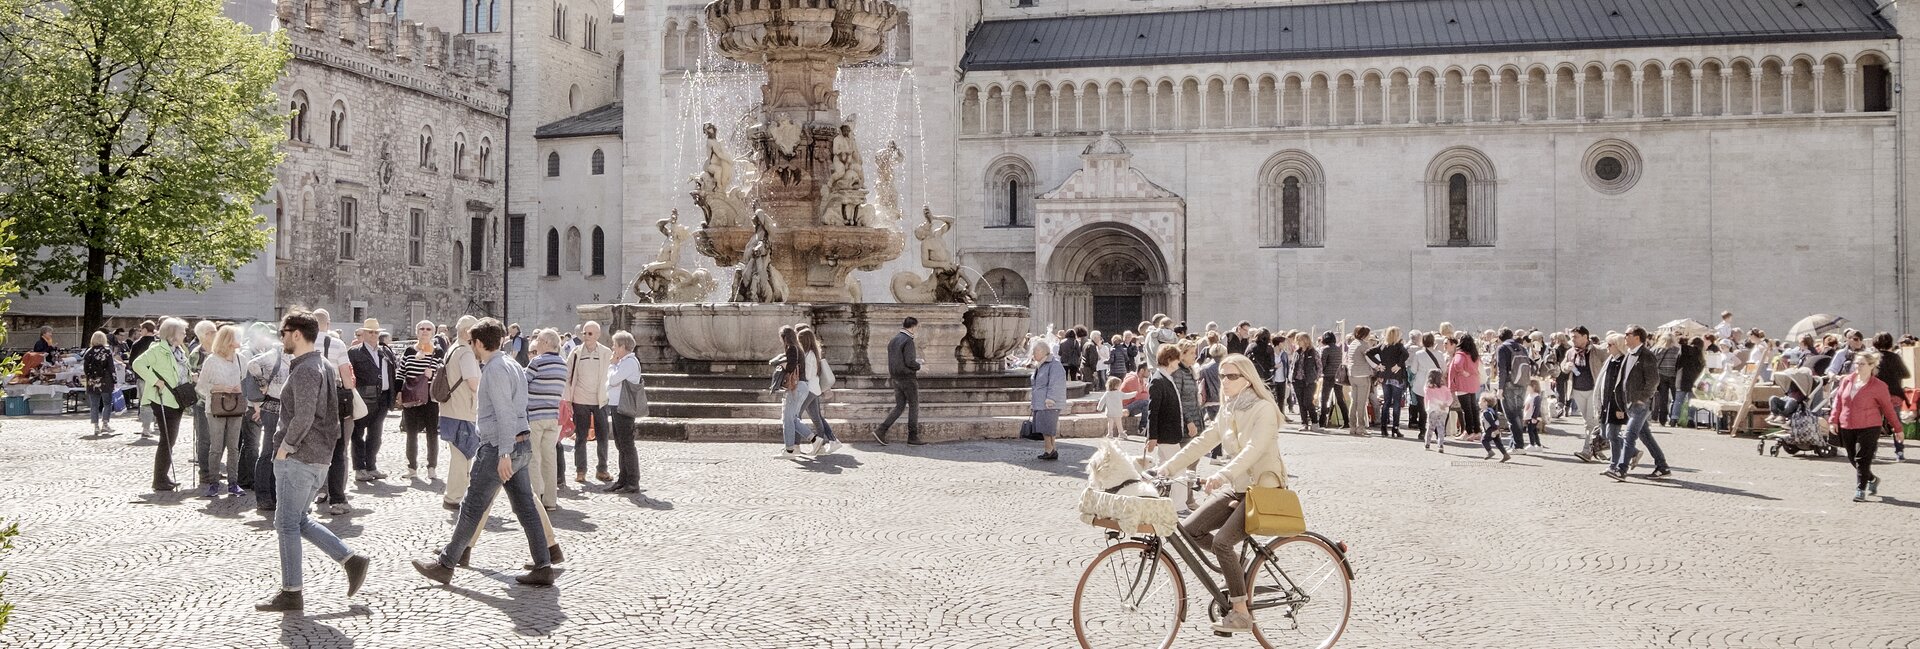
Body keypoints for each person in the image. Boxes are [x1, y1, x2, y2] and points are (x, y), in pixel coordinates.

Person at [411, 318, 557, 587]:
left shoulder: (495, 369)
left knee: (472, 505)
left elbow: (504, 412)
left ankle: (446, 564)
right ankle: (543, 565)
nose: (472, 348)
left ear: (478, 343)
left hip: (500, 447)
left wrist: (503, 452)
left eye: (473, 343)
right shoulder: (512, 364)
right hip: (519, 443)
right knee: (525, 506)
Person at [1148, 353, 1286, 635]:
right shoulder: (1228, 409)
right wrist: (1166, 468)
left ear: (1248, 380)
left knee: (1223, 542)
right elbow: (1202, 442)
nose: (1224, 381)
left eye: (1231, 376)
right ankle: (1237, 568)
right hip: (1237, 487)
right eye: (1222, 375)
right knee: (1190, 529)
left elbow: (1254, 450)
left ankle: (1240, 612)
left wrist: (1222, 474)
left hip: (1262, 488)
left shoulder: (1264, 409)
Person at [254, 310, 369, 612]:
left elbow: (304, 416)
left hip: (300, 457)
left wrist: (285, 448)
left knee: (286, 524)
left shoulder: (307, 369)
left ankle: (292, 592)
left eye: (283, 333)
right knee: (298, 520)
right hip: (314, 458)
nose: (281, 339)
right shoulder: (322, 364)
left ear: (295, 333)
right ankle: (351, 560)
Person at [1828, 351, 1898, 502]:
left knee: (1862, 458)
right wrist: (1833, 420)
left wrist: (1897, 429)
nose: (1857, 367)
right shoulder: (1847, 380)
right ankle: (1872, 479)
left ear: (1872, 366)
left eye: (1861, 364)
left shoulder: (1879, 386)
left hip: (1870, 425)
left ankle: (1860, 489)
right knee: (1852, 457)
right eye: (1856, 364)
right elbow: (1838, 401)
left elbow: (1888, 408)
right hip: (1847, 423)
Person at [1603, 327, 1671, 481]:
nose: (1625, 337)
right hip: (1629, 403)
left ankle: (1621, 469)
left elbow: (1654, 380)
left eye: (1628, 334)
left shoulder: (1646, 355)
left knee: (1629, 435)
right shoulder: (1629, 354)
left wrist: (1642, 398)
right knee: (1645, 435)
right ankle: (1663, 466)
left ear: (1637, 337)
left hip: (1641, 404)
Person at [133, 317, 191, 492]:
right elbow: (137, 364)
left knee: (169, 440)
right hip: (164, 400)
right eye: (182, 331)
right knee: (167, 440)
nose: (185, 334)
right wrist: (154, 380)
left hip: (177, 399)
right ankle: (159, 479)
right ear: (173, 334)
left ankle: (163, 476)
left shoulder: (180, 350)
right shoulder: (158, 350)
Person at [310, 309, 354, 515]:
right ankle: (337, 499)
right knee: (337, 451)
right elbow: (345, 374)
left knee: (309, 449)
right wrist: (349, 393)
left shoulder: (302, 343)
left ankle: (312, 494)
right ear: (327, 324)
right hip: (332, 401)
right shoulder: (337, 344)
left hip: (307, 399)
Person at [438, 316, 484, 511]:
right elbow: (473, 383)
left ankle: (457, 494)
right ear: (467, 332)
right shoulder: (465, 352)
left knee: (460, 455)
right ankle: (454, 497)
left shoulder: (453, 349)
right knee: (462, 457)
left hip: (452, 409)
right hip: (463, 410)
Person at [198, 325, 248, 497]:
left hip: (236, 407)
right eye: (236, 337)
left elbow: (247, 383)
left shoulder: (241, 359)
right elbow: (201, 386)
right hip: (216, 408)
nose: (240, 340)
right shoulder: (212, 361)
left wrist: (239, 388)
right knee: (216, 447)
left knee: (234, 447)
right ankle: (214, 483)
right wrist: (217, 387)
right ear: (228, 340)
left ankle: (233, 483)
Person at [247, 325, 291, 513]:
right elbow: (252, 365)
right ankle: (264, 496)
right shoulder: (275, 354)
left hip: (289, 409)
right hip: (272, 407)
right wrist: (263, 384)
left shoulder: (298, 355)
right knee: (267, 452)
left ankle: (278, 495)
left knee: (284, 454)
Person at [347, 319, 397, 483]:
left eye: (376, 332)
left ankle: (371, 466)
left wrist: (393, 395)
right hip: (363, 398)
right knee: (358, 434)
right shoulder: (354, 352)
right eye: (370, 332)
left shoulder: (386, 352)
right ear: (363, 333)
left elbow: (392, 373)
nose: (373, 335)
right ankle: (359, 468)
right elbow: (349, 376)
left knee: (375, 435)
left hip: (382, 397)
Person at [565, 321, 613, 484]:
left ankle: (602, 469)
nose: (586, 336)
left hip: (600, 399)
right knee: (580, 437)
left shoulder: (606, 353)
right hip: (580, 399)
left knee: (603, 436)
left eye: (589, 333)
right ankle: (580, 470)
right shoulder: (576, 352)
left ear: (598, 335)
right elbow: (567, 375)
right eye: (584, 333)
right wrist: (568, 398)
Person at [1144, 345, 1191, 510]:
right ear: (1170, 360)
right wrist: (1152, 437)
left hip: (1170, 433)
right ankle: (1179, 505)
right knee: (1179, 469)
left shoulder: (1166, 377)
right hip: (1166, 434)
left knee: (1163, 470)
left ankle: (1156, 499)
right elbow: (1153, 411)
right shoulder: (1158, 380)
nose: (1179, 362)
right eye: (1177, 359)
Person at [397, 321, 445, 481]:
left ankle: (432, 467)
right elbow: (400, 372)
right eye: (421, 329)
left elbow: (443, 373)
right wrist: (398, 392)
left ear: (433, 332)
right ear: (417, 331)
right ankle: (412, 467)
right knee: (411, 433)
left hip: (430, 399)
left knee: (432, 433)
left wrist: (434, 374)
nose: (424, 331)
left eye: (428, 329)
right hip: (411, 397)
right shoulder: (409, 351)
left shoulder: (438, 352)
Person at [526, 329, 568, 506]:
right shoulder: (563, 364)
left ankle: (535, 499)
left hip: (535, 415)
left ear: (545, 343)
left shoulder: (537, 362)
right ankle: (551, 500)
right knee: (549, 459)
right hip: (552, 415)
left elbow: (523, 381)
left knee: (534, 458)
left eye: (539, 341)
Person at [603, 330, 646, 491]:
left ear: (622, 346)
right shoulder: (624, 362)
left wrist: (612, 365)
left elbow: (613, 380)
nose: (613, 348)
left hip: (623, 406)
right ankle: (623, 479)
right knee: (621, 444)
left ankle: (632, 481)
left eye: (615, 345)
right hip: (617, 405)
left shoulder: (628, 362)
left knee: (627, 444)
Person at [875, 317, 924, 445]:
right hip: (908, 378)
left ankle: (881, 430)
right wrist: (920, 366)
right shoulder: (908, 341)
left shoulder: (894, 340)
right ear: (913, 327)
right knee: (914, 406)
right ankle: (912, 436)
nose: (917, 330)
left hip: (896, 378)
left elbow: (898, 360)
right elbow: (909, 361)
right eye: (917, 327)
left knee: (899, 406)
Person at [1565, 327, 1609, 461]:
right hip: (1577, 390)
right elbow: (1563, 365)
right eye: (1572, 337)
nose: (1573, 339)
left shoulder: (1598, 351)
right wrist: (1565, 367)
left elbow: (1609, 364)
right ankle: (1598, 449)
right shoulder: (1571, 352)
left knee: (1591, 422)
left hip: (1593, 390)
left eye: (1576, 337)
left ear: (1585, 337)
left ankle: (1587, 451)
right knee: (1589, 422)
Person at [796, 326, 841, 455]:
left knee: (796, 416)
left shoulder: (809, 355)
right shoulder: (811, 353)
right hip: (813, 389)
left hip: (810, 389)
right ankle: (822, 446)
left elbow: (809, 375)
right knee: (816, 418)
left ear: (804, 340)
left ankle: (798, 445)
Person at [1870, 332, 1909, 462]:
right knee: (1896, 423)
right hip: (1894, 393)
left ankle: (1872, 452)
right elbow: (1906, 374)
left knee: (1875, 424)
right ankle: (1899, 452)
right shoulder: (1895, 357)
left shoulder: (1873, 358)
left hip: (1875, 395)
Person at [776, 325, 813, 457]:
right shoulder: (799, 348)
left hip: (795, 387)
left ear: (785, 337)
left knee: (787, 419)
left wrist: (780, 366)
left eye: (781, 337)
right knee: (792, 418)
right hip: (802, 386)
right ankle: (814, 439)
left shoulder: (792, 348)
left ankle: (789, 449)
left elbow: (791, 366)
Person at [1368, 327, 1408, 437]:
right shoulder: (1399, 346)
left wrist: (1379, 364)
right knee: (1396, 403)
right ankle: (1395, 428)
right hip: (1396, 376)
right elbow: (1406, 355)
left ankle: (1383, 428)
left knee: (1386, 402)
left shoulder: (1382, 346)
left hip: (1385, 376)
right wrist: (1399, 365)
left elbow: (1368, 352)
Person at [1031, 340, 1067, 461]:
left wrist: (1051, 398)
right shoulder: (1042, 364)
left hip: (1049, 402)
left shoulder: (1054, 364)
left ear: (1042, 351)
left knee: (1046, 427)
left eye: (1035, 351)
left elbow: (1056, 383)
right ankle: (1052, 449)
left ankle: (1049, 450)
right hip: (1041, 402)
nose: (1033, 354)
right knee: (1048, 427)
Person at [1447, 333, 1483, 444]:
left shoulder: (1460, 354)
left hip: (1462, 384)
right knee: (1473, 408)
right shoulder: (1474, 354)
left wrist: (1462, 372)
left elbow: (1457, 365)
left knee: (1466, 410)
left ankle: (1468, 432)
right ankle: (1477, 431)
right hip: (1473, 383)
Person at [82, 331, 119, 435]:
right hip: (105, 381)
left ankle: (96, 426)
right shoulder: (107, 351)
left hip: (92, 381)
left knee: (94, 405)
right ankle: (105, 424)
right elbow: (111, 368)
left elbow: (85, 368)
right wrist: (114, 380)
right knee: (107, 403)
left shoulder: (88, 352)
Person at [1345, 326, 1377, 436]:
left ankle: (1352, 426)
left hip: (1352, 375)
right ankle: (1361, 427)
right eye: (1368, 334)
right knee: (1362, 403)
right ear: (1364, 335)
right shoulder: (1364, 345)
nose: (1369, 336)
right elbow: (1369, 359)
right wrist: (1378, 367)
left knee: (1354, 402)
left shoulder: (1353, 343)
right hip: (1363, 375)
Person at [1289, 332, 1320, 431]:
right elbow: (1293, 365)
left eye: (1300, 340)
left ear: (1306, 340)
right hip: (1297, 380)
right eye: (1297, 340)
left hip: (1309, 381)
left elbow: (1319, 366)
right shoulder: (1297, 352)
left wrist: (1316, 377)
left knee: (1308, 402)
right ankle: (1304, 423)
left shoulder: (1313, 352)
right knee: (1301, 403)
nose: (1298, 342)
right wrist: (1291, 377)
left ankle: (1315, 422)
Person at [1318, 332, 1348, 429]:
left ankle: (1322, 422)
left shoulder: (1325, 349)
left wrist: (1320, 373)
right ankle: (1346, 420)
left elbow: (1322, 363)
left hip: (1328, 376)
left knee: (1324, 399)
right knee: (1340, 399)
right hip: (1338, 376)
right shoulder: (1338, 349)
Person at [1421, 369, 1451, 453]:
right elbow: (1450, 398)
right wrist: (1444, 404)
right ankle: (1440, 445)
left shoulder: (1428, 388)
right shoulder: (1445, 388)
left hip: (1433, 409)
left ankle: (1427, 443)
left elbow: (1430, 398)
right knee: (1441, 427)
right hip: (1444, 410)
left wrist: (1438, 404)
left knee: (1430, 427)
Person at [1479, 394, 1511, 461]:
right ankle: (1506, 455)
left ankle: (1490, 452)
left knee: (1484, 440)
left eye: (1480, 401)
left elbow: (1491, 422)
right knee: (1498, 443)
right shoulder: (1491, 411)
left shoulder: (1486, 412)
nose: (1479, 403)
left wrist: (1495, 430)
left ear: (1485, 402)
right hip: (1495, 429)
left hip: (1491, 429)